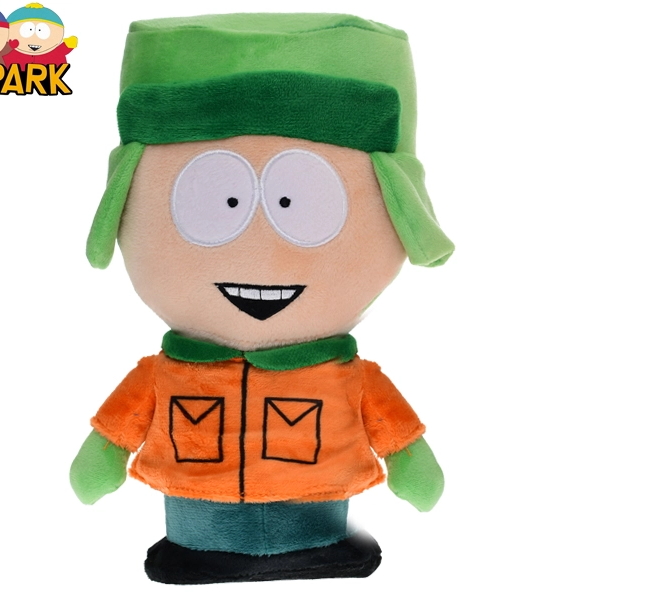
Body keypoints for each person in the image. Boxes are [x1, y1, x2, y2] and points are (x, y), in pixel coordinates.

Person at [70, 13, 455, 585]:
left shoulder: (348, 376)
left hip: (318, 522)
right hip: (195, 525)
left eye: (302, 206)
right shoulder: (164, 373)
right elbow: (118, 425)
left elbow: (394, 428)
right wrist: (102, 452)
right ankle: (206, 548)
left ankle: (312, 545)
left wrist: (410, 459)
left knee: (311, 526)